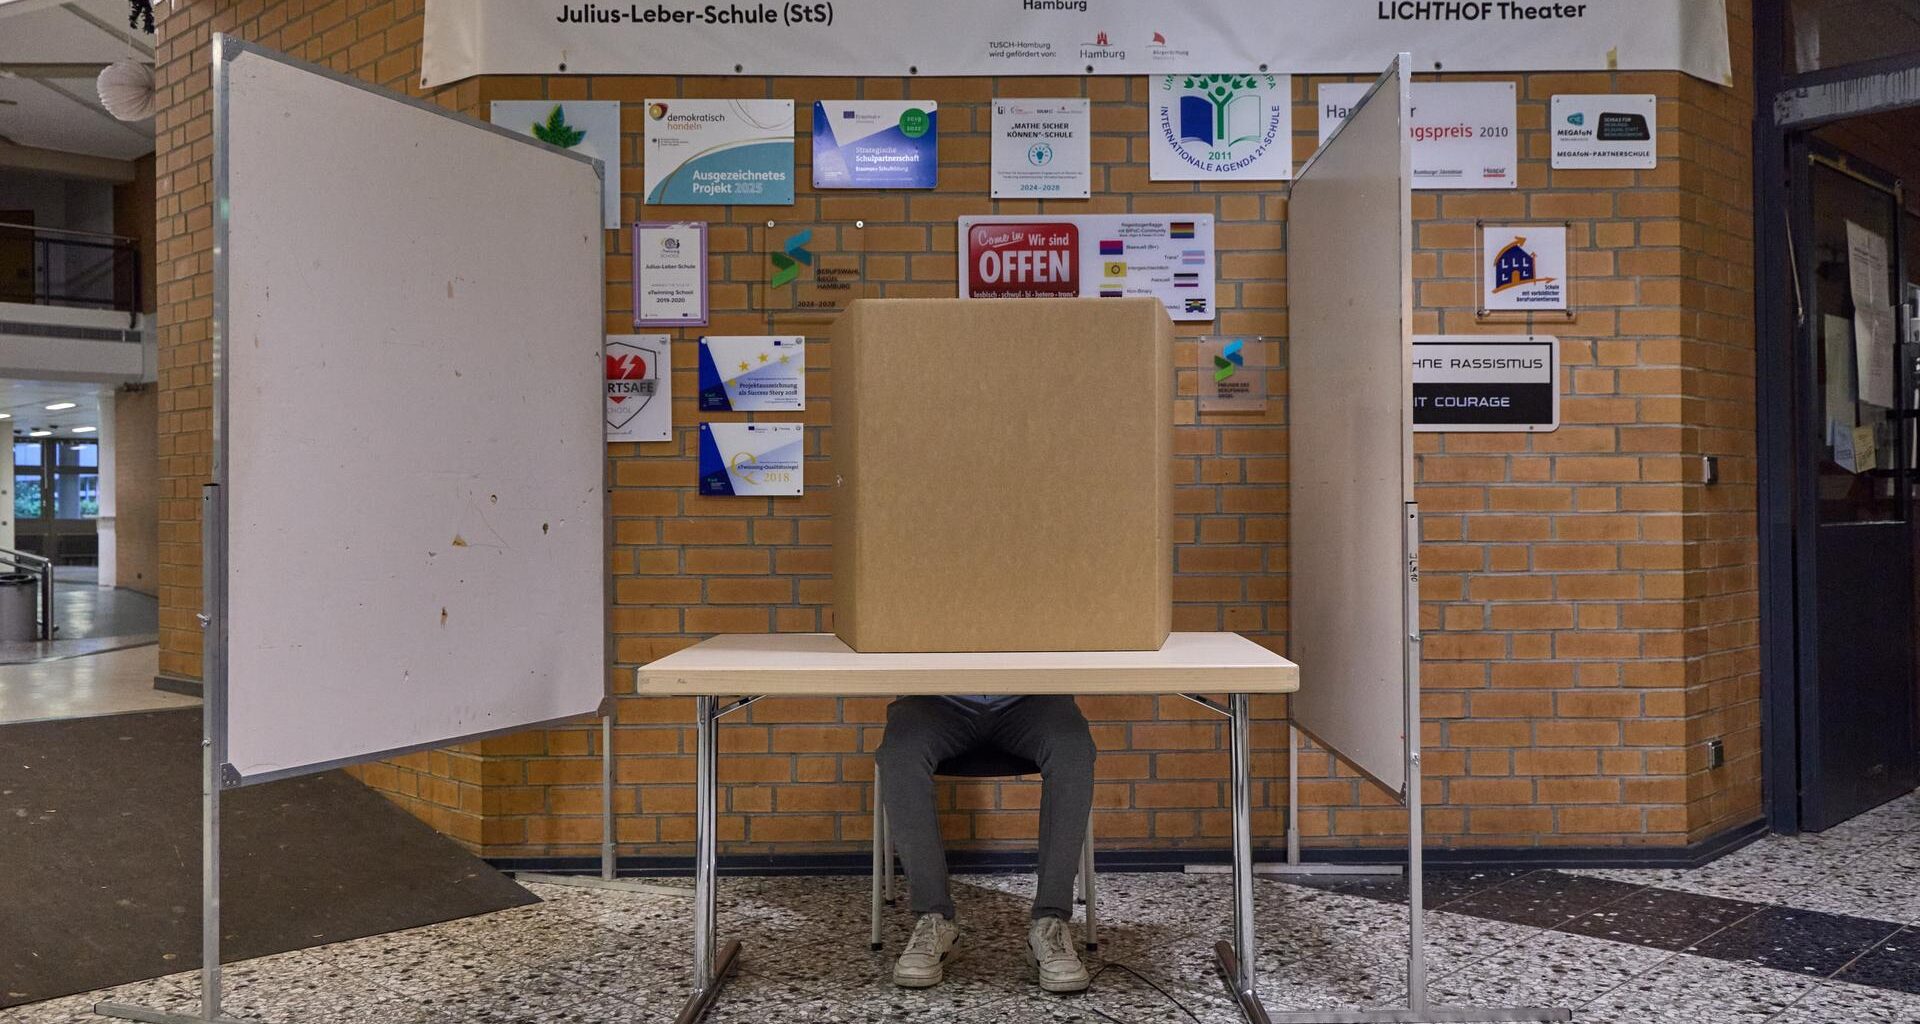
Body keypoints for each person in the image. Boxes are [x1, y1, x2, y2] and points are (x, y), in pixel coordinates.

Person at [874, 694, 1097, 993]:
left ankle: (1051, 922)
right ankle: (933, 920)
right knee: (901, 749)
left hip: (1031, 700)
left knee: (1072, 745)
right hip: (936, 701)